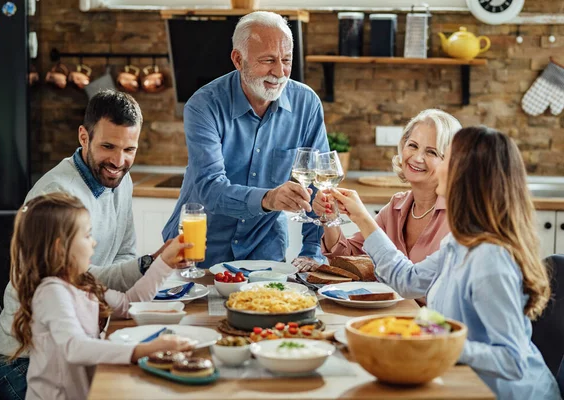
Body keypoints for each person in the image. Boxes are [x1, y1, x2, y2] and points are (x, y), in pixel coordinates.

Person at [329, 126, 559, 399]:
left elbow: (512, 360)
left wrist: (437, 341)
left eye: (444, 158)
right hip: (460, 382)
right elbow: (408, 281)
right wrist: (361, 217)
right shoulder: (461, 242)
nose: (436, 168)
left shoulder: (489, 259)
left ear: (466, 175)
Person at [0, 90, 174, 400]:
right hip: (26, 361)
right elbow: (74, 278)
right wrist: (145, 265)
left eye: (130, 149)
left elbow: (123, 255)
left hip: (75, 342)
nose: (119, 161)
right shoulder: (56, 197)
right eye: (108, 146)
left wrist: (160, 262)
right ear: (84, 137)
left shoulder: (120, 179)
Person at [162, 11, 329, 267]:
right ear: (238, 60)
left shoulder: (306, 104)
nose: (280, 72)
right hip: (198, 250)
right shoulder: (204, 105)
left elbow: (318, 184)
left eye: (286, 59)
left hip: (264, 250)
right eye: (268, 60)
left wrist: (312, 248)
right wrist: (268, 199)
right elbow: (210, 187)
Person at [8, 193, 195, 400]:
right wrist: (144, 349)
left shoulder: (81, 281)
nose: (94, 243)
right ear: (61, 248)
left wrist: (164, 263)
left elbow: (127, 304)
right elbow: (75, 347)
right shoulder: (52, 291)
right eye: (87, 235)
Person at [299, 109, 461, 272]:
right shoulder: (396, 207)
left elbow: (424, 285)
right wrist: (330, 218)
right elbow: (347, 258)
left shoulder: (459, 217)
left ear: (450, 161)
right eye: (413, 145)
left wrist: (362, 217)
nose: (417, 158)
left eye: (431, 152)